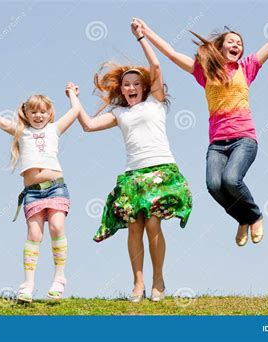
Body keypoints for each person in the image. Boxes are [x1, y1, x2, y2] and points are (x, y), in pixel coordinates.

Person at [132, 11, 268, 246]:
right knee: (214, 186)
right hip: (217, 143)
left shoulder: (246, 67)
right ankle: (243, 219)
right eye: (232, 41)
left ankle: (255, 216)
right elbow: (171, 53)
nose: (237, 45)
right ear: (220, 47)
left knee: (231, 180)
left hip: (243, 140)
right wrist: (145, 33)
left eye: (240, 43)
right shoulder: (205, 72)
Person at [75, 20, 192, 302]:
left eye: (135, 83)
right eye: (126, 85)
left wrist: (142, 38)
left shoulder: (156, 102)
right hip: (133, 175)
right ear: (122, 89)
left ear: (144, 87)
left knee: (153, 223)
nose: (130, 88)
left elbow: (157, 67)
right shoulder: (118, 113)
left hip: (161, 169)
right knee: (135, 226)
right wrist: (73, 100)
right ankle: (138, 283)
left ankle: (158, 281)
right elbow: (88, 125)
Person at [0, 84, 81, 303]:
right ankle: (28, 285)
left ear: (49, 114)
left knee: (57, 227)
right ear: (26, 113)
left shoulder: (54, 129)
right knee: (34, 235)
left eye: (42, 111)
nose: (38, 115)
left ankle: (59, 279)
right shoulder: (22, 132)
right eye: (33, 111)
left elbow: (75, 112)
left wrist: (72, 95)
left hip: (56, 187)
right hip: (32, 193)